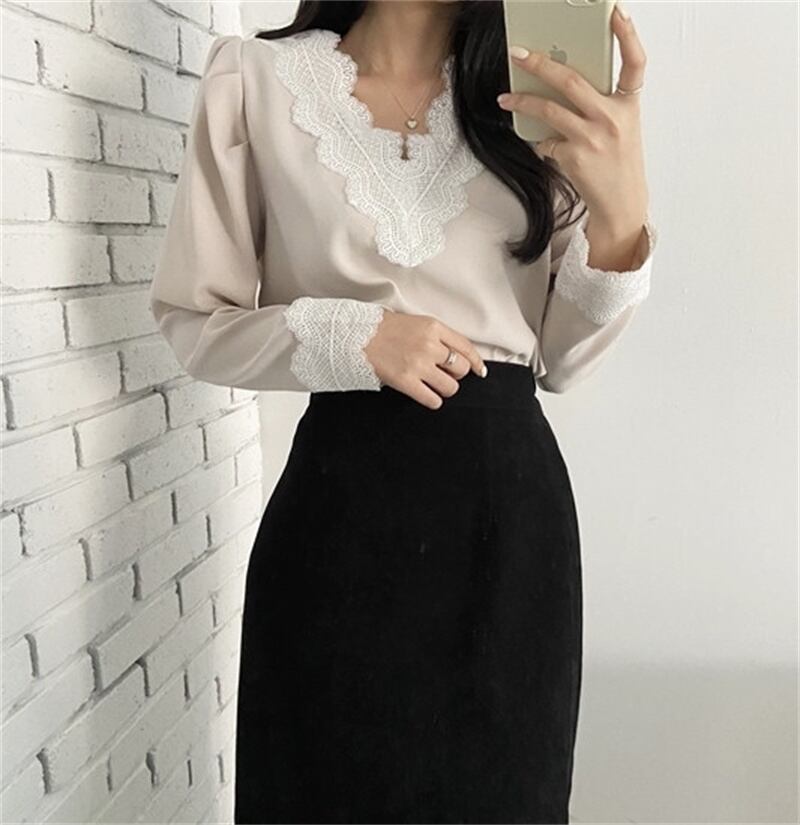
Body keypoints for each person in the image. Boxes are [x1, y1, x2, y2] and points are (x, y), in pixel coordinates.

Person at [149, 1, 658, 822]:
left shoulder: (533, 93)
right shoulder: (252, 81)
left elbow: (564, 358)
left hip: (507, 534)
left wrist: (623, 213)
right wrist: (353, 335)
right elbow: (195, 318)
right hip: (337, 523)